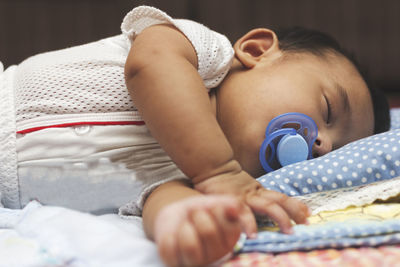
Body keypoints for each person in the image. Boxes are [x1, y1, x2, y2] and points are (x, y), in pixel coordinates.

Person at [0, 5, 390, 267]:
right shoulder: (201, 53)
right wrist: (218, 171)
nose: (319, 143)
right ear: (256, 50)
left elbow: (160, 201)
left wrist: (188, 222)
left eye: (330, 150)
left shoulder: (207, 183)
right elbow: (147, 65)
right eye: (326, 110)